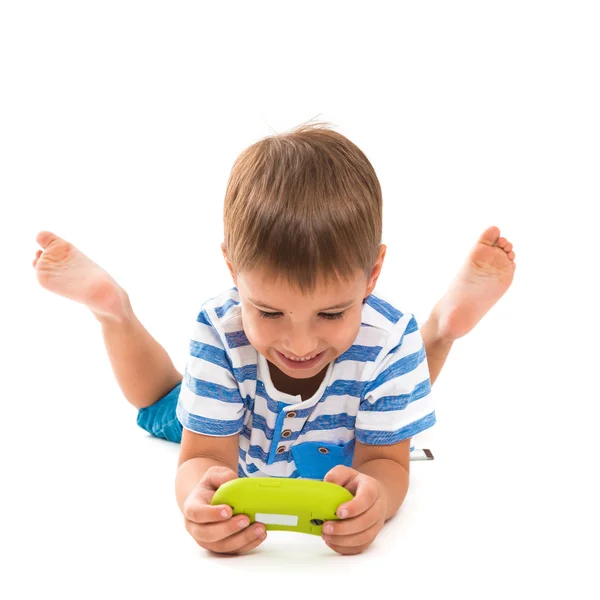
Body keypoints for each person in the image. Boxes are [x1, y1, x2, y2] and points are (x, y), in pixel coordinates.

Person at [32, 121, 516, 556]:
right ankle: (114, 312)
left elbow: (386, 461)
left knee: (397, 395)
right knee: (157, 401)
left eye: (330, 312)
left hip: (349, 430)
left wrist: (379, 499)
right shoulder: (221, 331)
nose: (300, 343)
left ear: (372, 276)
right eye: (268, 311)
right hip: (242, 428)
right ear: (233, 273)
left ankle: (441, 330)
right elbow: (201, 456)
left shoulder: (386, 338)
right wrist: (198, 500)